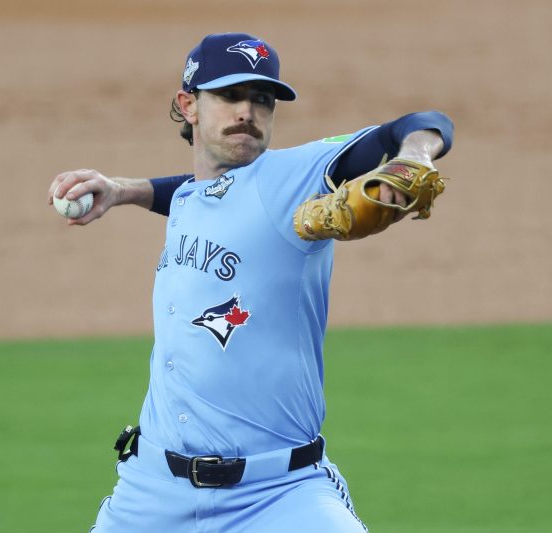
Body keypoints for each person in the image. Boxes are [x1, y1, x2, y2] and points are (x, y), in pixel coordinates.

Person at [48, 32, 453, 533]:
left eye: (262, 100)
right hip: (150, 493)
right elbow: (196, 191)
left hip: (279, 495)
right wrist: (124, 190)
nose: (247, 111)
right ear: (188, 106)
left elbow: (422, 124)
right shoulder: (193, 196)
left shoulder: (292, 176)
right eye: (230, 95)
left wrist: (414, 156)